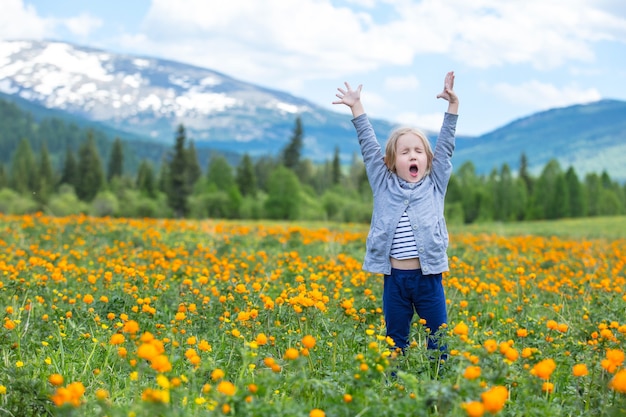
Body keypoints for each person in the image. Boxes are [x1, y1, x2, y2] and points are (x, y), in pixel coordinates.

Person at [332, 71, 459, 365]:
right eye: (405, 152)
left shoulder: (436, 182)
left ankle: (438, 387)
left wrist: (452, 107)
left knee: (438, 339)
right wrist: (356, 107)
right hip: (395, 279)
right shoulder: (383, 182)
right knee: (395, 342)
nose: (413, 155)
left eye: (418, 151)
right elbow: (368, 147)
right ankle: (392, 391)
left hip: (429, 279)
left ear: (428, 160)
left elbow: (447, 145)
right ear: (391, 161)